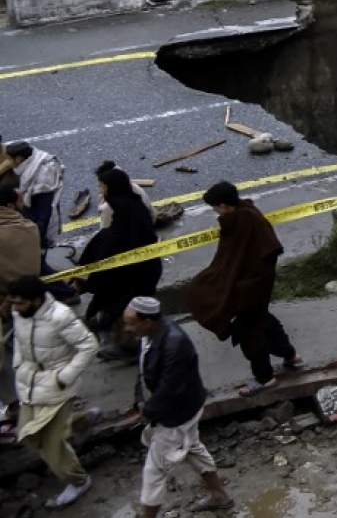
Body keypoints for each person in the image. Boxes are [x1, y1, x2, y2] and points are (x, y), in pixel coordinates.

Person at [184, 182, 302, 397]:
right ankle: (291, 355)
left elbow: (267, 251)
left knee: (251, 332)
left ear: (224, 205)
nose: (216, 213)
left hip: (251, 288)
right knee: (264, 321)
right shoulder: (242, 215)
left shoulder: (247, 220)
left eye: (215, 208)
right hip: (251, 287)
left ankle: (265, 378)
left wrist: (246, 286)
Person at [123, 297, 234, 516]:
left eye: (130, 323)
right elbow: (143, 370)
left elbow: (170, 389)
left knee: (154, 471)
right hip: (181, 408)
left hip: (177, 414)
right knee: (193, 448)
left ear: (147, 322)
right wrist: (140, 401)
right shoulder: (150, 336)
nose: (127, 329)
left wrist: (148, 411)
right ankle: (219, 494)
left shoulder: (174, 344)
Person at [7, 275, 99, 509]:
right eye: (13, 302)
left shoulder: (61, 316)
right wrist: (19, 362)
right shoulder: (20, 313)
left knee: (51, 446)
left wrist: (65, 376)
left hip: (57, 386)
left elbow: (89, 345)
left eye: (20, 303)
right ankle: (82, 421)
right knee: (28, 435)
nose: (14, 308)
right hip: (29, 382)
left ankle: (78, 480)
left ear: (37, 301)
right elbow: (19, 337)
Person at [73, 166, 161, 361]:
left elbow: (115, 245)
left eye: (102, 186)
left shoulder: (118, 211)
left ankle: (130, 349)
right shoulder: (132, 206)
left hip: (132, 275)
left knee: (120, 311)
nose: (100, 190)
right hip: (138, 271)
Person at [0, 184, 40, 439]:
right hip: (29, 302)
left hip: (5, 307)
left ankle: (17, 404)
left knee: (9, 357)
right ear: (11, 205)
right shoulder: (29, 228)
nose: (24, 200)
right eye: (20, 197)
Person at [6, 141, 63, 265]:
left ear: (19, 159)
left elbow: (44, 213)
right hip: (29, 215)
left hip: (37, 223)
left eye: (10, 159)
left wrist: (36, 239)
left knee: (37, 261)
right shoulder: (30, 162)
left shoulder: (43, 176)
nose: (8, 163)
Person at [95, 160, 157, 228]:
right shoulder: (134, 187)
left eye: (101, 185)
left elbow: (104, 231)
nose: (99, 188)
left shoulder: (109, 207)